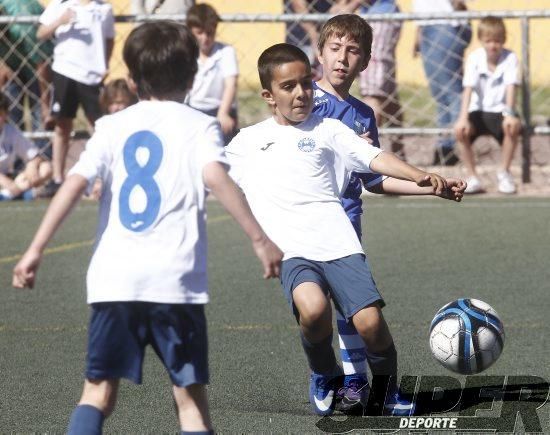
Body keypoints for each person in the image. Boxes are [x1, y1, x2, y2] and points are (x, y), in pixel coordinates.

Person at [12, 21, 282, 434]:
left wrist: (35, 249)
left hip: (114, 280)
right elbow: (215, 176)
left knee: (97, 394)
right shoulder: (199, 126)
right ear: (192, 77)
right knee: (190, 403)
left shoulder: (110, 126)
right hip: (174, 281)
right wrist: (260, 240)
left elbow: (74, 183)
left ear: (134, 79)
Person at [225, 43, 465, 416]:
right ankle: (325, 373)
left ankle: (386, 392)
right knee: (314, 308)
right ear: (268, 96)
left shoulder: (329, 129)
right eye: (289, 87)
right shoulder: (245, 143)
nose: (301, 93)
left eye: (306, 83)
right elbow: (210, 176)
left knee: (370, 324)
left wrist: (420, 176)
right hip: (291, 250)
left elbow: (375, 159)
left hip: (338, 241)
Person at [313, 13, 466, 414]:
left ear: (365, 62)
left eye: (353, 51)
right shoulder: (304, 104)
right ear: (320, 52)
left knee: (356, 310)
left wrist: (429, 187)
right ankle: (325, 374)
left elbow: (374, 181)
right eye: (335, 48)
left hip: (346, 225)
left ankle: (356, 384)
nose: (342, 58)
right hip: (305, 226)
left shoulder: (364, 114)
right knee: (315, 313)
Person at [37, 0, 115, 195]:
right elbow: (40, 33)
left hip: (92, 75)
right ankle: (57, 178)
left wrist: (105, 63)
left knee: (99, 126)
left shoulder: (103, 9)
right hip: (65, 71)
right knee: (62, 125)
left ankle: (103, 174)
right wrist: (59, 22)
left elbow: (109, 39)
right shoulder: (61, 5)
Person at [454, 17, 521, 194]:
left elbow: (511, 88)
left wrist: (510, 113)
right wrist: (463, 118)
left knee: (512, 126)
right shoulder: (474, 58)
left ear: (503, 40)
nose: (493, 45)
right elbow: (467, 89)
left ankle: (504, 172)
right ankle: (472, 177)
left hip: (500, 111)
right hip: (478, 111)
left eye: (497, 41)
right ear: (481, 40)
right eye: (488, 41)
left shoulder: (511, 58)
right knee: (460, 130)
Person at [413, 0, 471, 166]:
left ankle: (455, 145)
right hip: (430, 27)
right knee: (441, 95)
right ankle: (445, 148)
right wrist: (418, 33)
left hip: (444, 25)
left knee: (452, 93)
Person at [185, 3, 239, 145]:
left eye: (210, 32)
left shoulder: (225, 52)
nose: (205, 38)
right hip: (194, 108)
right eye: (199, 33)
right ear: (191, 31)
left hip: (220, 109)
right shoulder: (187, 54)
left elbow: (230, 84)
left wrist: (223, 113)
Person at [358, 0, 405, 159]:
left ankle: (368, 151)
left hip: (378, 17)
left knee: (373, 96)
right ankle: (398, 150)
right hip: (380, 14)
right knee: (389, 98)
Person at [0, 0, 54, 137]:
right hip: (12, 63)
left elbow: (42, 63)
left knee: (40, 117)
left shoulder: (22, 26)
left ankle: (43, 155)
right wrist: (3, 66)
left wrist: (45, 105)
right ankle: (13, 155)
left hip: (41, 65)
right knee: (8, 115)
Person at [0, 92, 52, 200]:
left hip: (9, 178)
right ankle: (17, 193)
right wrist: (4, 181)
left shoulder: (11, 132)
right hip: (3, 180)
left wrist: (32, 165)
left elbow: (35, 155)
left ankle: (9, 194)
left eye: (1, 114)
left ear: (6, 114)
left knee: (46, 168)